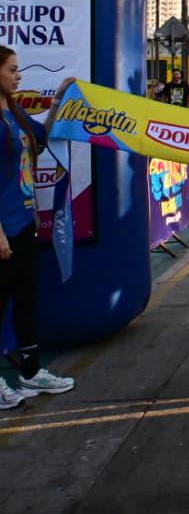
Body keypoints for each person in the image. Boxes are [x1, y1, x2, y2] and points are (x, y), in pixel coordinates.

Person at [0, 46, 78, 408]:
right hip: (3, 229)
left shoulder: (14, 114)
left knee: (26, 298)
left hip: (22, 223)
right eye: (12, 70)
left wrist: (60, 98)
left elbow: (42, 137)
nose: (19, 75)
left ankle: (30, 373)